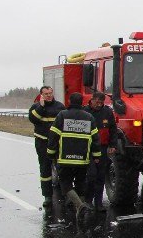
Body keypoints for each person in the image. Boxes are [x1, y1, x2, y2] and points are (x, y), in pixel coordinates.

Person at [47, 92, 101, 222]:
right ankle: (80, 210)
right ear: (82, 102)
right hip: (82, 159)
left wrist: (50, 152)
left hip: (65, 158)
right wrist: (96, 155)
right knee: (80, 182)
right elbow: (95, 139)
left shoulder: (62, 115)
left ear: (70, 102)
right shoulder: (89, 117)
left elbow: (53, 135)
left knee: (65, 184)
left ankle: (80, 206)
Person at [29, 86, 65, 209]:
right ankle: (47, 196)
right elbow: (33, 119)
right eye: (46, 94)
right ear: (41, 95)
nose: (49, 95)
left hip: (58, 142)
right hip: (42, 142)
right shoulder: (36, 107)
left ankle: (66, 194)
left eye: (50, 93)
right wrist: (42, 106)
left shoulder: (60, 106)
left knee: (62, 168)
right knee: (45, 170)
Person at [85, 91, 117, 211]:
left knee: (101, 176)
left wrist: (113, 144)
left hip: (103, 148)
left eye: (101, 102)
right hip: (88, 148)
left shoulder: (107, 112)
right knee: (91, 175)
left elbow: (113, 129)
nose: (99, 105)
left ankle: (98, 202)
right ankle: (88, 200)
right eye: (97, 102)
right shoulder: (85, 112)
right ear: (92, 100)